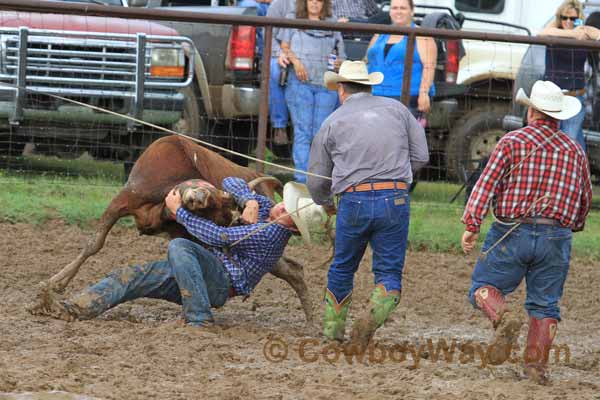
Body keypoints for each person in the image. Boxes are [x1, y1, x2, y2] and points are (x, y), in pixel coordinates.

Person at [39, 177, 325, 327]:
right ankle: (73, 309)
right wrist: (249, 198)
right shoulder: (264, 209)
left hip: (220, 282)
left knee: (179, 245)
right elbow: (230, 181)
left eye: (288, 212)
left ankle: (199, 317)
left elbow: (220, 235)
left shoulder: (271, 233)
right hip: (200, 272)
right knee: (129, 276)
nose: (280, 207)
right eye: (285, 203)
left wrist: (179, 213)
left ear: (294, 229)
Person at [461, 81, 592, 384]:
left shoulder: (510, 142)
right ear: (558, 117)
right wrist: (575, 223)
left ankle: (503, 317)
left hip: (511, 230)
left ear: (531, 111)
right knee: (545, 303)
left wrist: (472, 224)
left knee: (483, 286)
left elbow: (486, 184)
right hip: (556, 235)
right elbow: (584, 197)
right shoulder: (573, 150)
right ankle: (536, 368)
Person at [307, 61, 429, 348]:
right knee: (388, 272)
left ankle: (333, 333)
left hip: (353, 200)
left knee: (342, 267)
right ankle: (370, 319)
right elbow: (421, 155)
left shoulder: (332, 122)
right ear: (370, 85)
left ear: (341, 89)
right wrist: (397, 177)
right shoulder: (397, 110)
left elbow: (315, 180)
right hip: (395, 199)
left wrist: (326, 202)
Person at [278, 0, 346, 183]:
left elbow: (341, 54)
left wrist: (339, 62)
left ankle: (317, 180)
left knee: (320, 133)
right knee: (302, 131)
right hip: (300, 84)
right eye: (311, 0)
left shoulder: (332, 23)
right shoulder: (293, 18)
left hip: (326, 85)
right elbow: (284, 45)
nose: (315, 3)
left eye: (319, 0)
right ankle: (302, 179)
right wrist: (296, 61)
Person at [540, 0, 600, 152]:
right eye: (564, 17)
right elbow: (542, 33)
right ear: (559, 18)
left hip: (574, 96)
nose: (568, 21)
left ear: (579, 18)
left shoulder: (585, 32)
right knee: (564, 141)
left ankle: (577, 171)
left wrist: (584, 30)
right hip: (552, 98)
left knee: (571, 142)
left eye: (573, 18)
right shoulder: (553, 32)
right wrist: (573, 34)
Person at [366, 0, 436, 118]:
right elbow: (367, 59)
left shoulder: (422, 35)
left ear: (412, 11)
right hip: (374, 94)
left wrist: (423, 93)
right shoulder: (380, 34)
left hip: (405, 98)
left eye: (403, 8)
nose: (398, 12)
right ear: (390, 11)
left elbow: (429, 66)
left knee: (398, 134)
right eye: (394, 8)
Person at [266, 0, 296, 147]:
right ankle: (279, 125)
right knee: (275, 69)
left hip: (311, 56)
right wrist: (280, 53)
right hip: (283, 52)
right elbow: (269, 34)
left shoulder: (320, 5)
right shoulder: (279, 4)